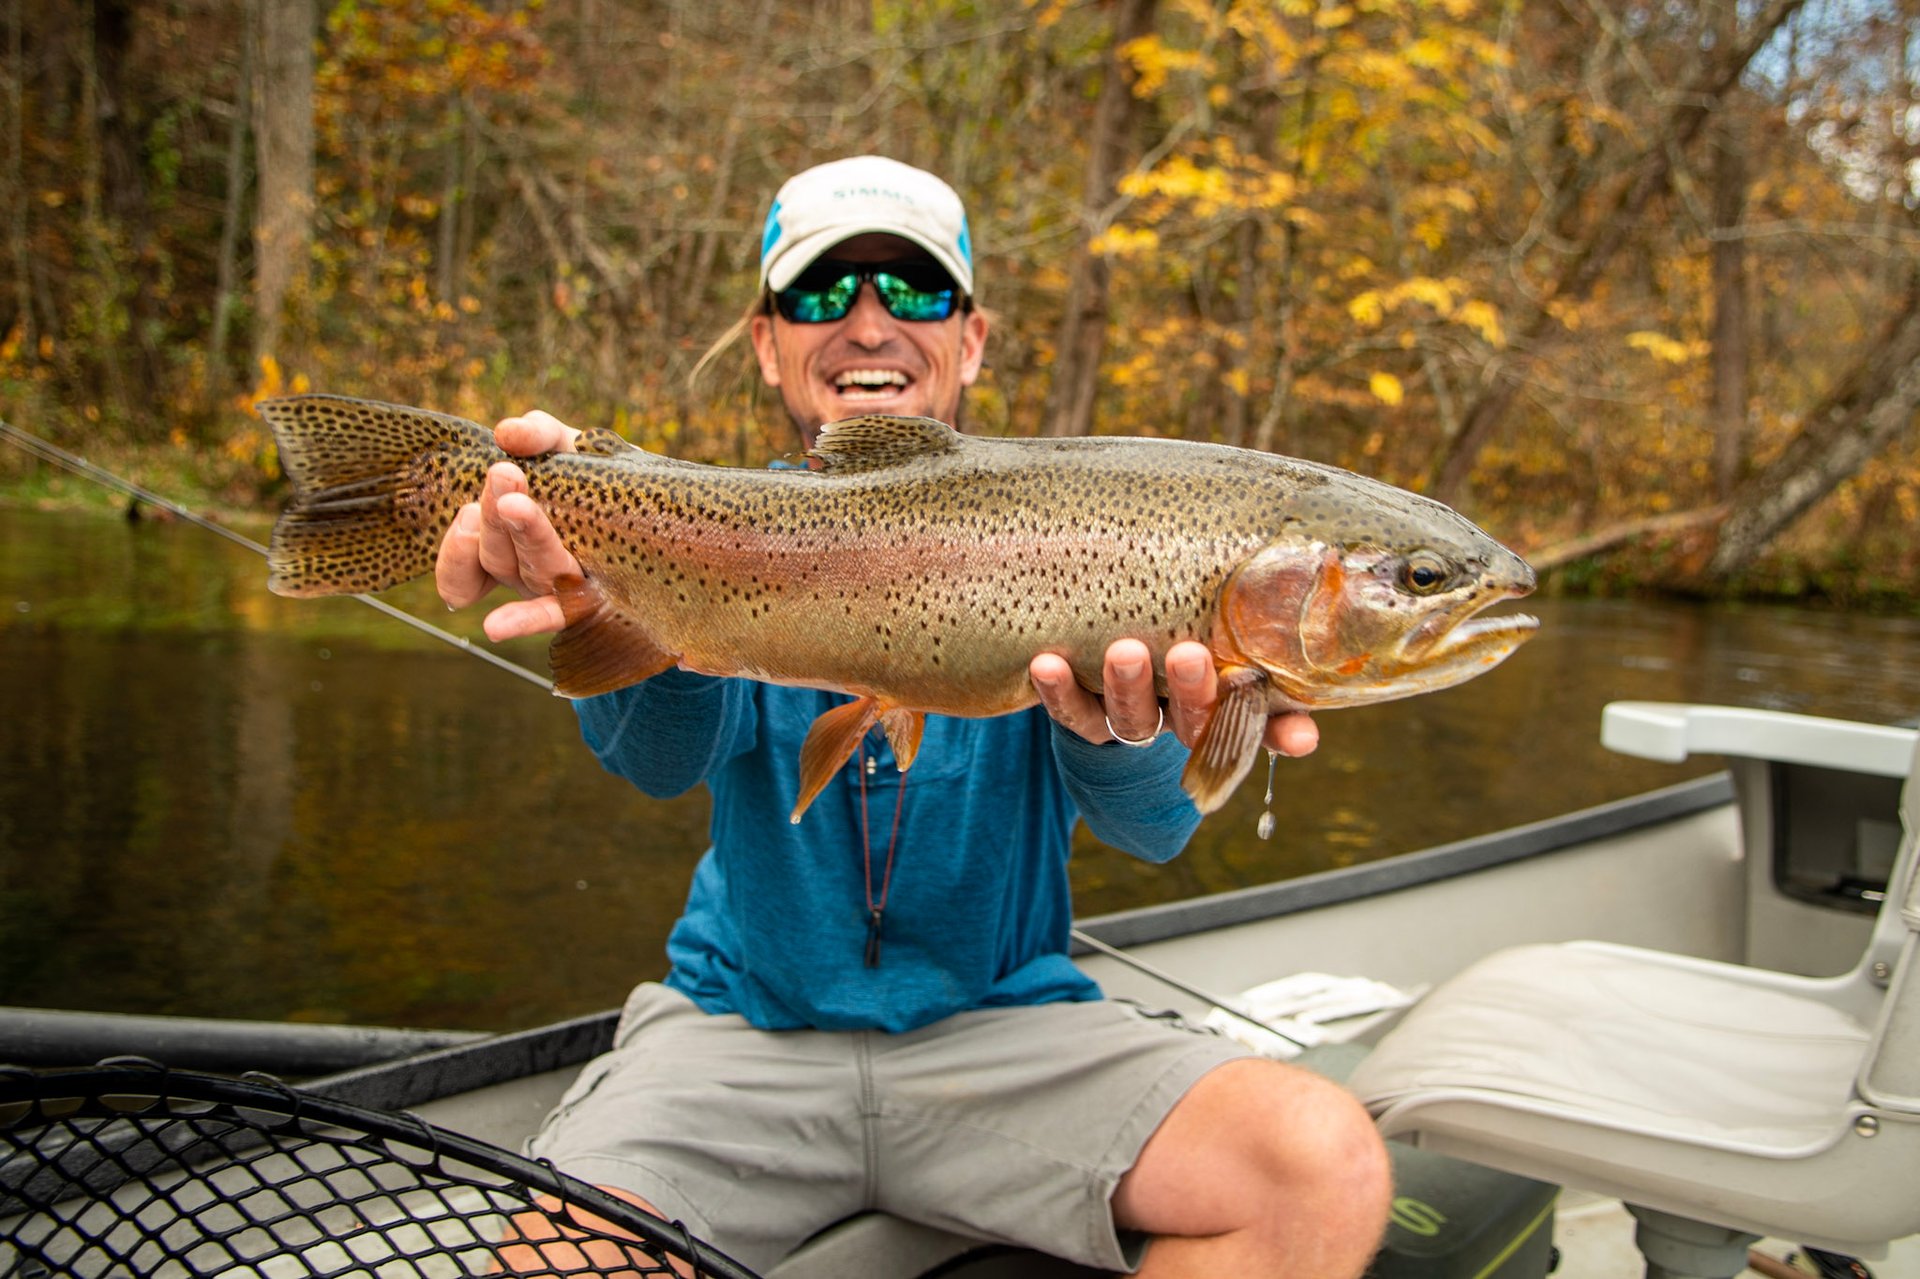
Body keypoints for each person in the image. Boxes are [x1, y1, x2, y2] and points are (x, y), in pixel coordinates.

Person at [437, 156, 1391, 1277]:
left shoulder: (1078, 529)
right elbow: (658, 760)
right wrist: (617, 584)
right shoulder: (724, 523)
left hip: (1008, 1030)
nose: (872, 324)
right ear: (768, 343)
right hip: (737, 1030)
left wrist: (1128, 733)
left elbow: (1151, 832)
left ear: (971, 339)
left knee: (1323, 1169)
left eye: (916, 293)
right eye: (826, 296)